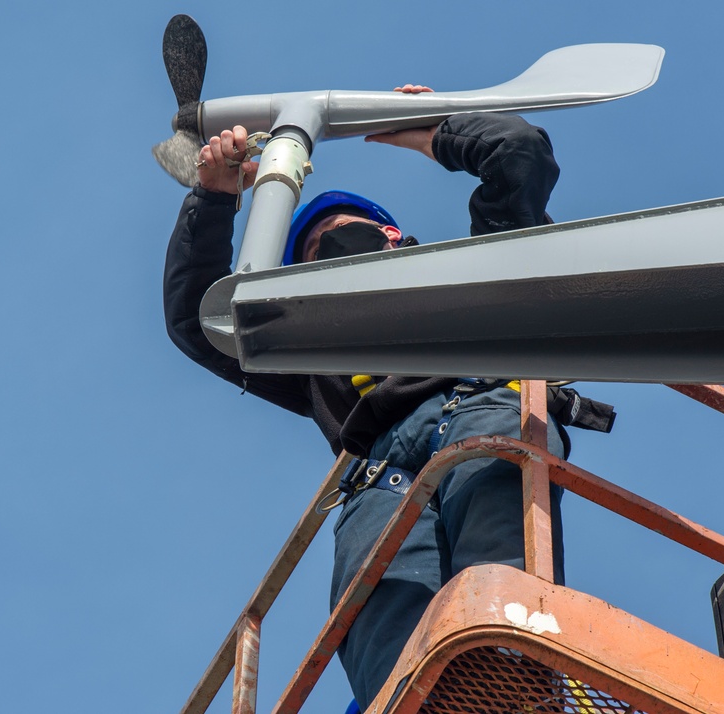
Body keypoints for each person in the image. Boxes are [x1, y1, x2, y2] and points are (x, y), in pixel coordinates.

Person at [164, 94, 573, 710]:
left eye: (333, 233)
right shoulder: (309, 354)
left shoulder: (474, 272)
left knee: (497, 605)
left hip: (479, 413)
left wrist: (426, 126)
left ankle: (512, 693)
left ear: (390, 235)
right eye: (303, 255)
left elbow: (516, 154)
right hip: (375, 481)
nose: (318, 252)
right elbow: (201, 323)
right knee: (394, 658)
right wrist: (216, 197)